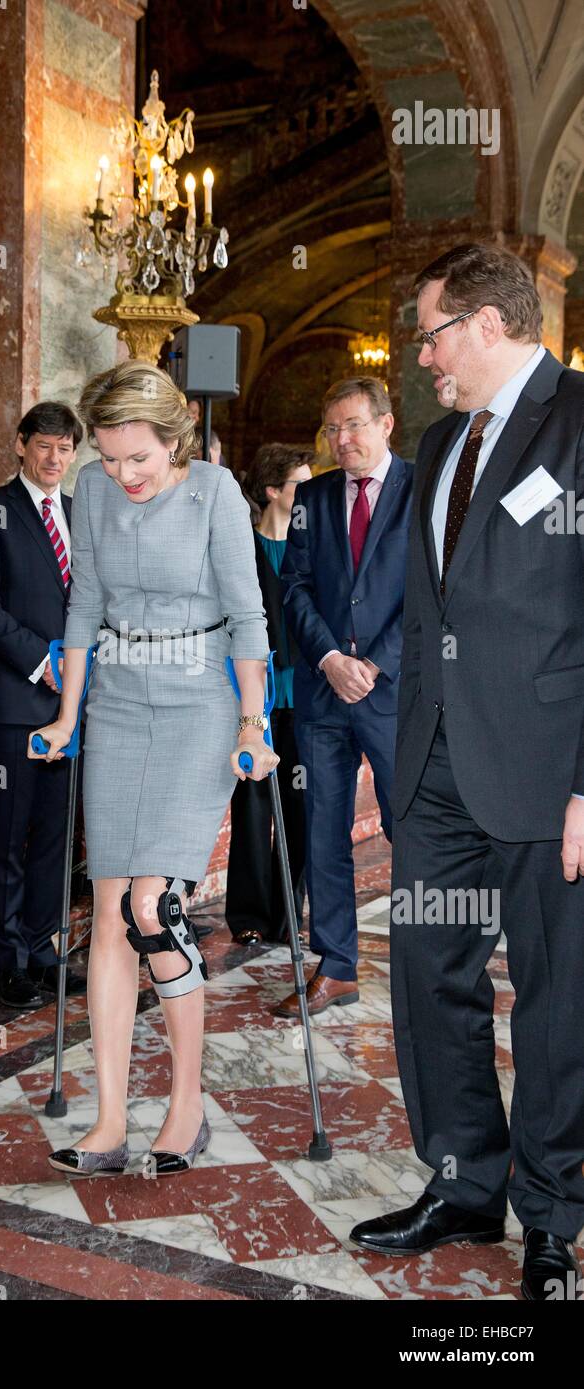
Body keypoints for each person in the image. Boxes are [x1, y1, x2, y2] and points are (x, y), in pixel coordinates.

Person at [350, 244, 584, 1302]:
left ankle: (549, 1213)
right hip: (436, 766)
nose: (420, 357)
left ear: (487, 324)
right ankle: (458, 1182)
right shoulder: (441, 442)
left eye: (431, 333)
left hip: (546, 771)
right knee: (428, 979)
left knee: (553, 997)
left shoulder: (579, 420)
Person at [29, 361, 275, 1177]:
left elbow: (247, 615)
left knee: (150, 904)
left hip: (200, 702)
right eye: (108, 457)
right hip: (121, 703)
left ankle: (185, 1103)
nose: (122, 475)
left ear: (175, 443)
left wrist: (252, 720)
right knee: (105, 910)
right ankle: (105, 1120)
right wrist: (68, 714)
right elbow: (85, 605)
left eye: (139, 458)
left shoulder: (216, 492)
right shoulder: (95, 494)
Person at [276, 378, 413, 1018]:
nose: (343, 440)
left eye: (355, 425)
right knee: (323, 833)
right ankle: (336, 967)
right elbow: (294, 587)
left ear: (386, 424)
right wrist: (331, 659)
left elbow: (433, 594)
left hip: (393, 696)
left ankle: (425, 966)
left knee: (409, 829)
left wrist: (374, 664)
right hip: (324, 695)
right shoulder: (313, 495)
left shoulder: (423, 487)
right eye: (333, 429)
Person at [0, 402, 86, 1008]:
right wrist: (44, 662)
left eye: (65, 449)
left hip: (73, 703)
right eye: (45, 446)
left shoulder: (78, 512)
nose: (55, 459)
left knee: (56, 837)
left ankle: (43, 950)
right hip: (16, 698)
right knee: (9, 836)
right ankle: (8, 960)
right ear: (19, 444)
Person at [225, 444, 313, 945]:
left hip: (306, 698)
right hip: (255, 700)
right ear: (273, 491)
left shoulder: (311, 548)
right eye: (298, 484)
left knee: (301, 807)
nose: (307, 493)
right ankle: (250, 915)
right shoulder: (244, 549)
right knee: (254, 808)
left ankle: (287, 915)